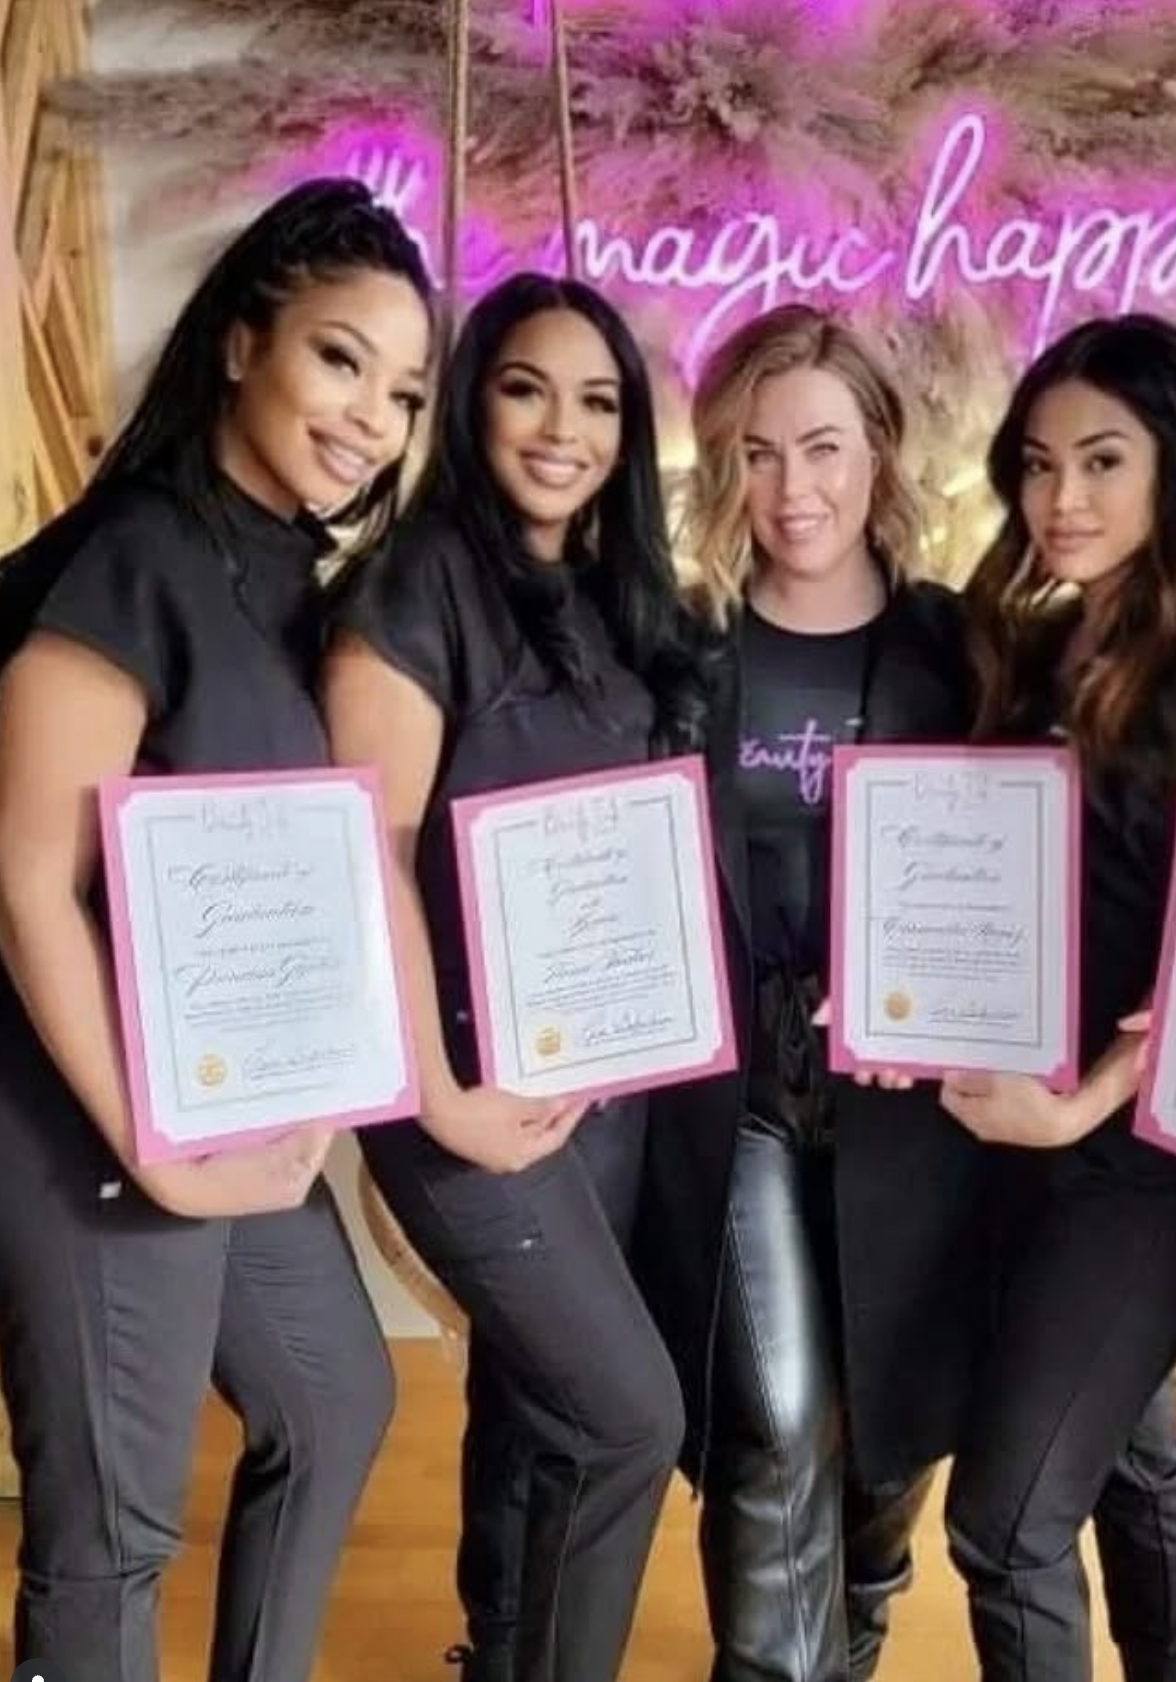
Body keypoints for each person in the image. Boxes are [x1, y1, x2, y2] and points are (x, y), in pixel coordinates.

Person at [0, 178, 432, 1682]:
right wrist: (147, 1135)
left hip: (223, 1101)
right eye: (339, 360)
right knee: (108, 1534)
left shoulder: (292, 576)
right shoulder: (135, 558)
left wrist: (303, 1075)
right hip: (85, 1110)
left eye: (402, 389)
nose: (371, 415)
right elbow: (28, 883)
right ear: (244, 339)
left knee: (332, 1397)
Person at [323, 272, 702, 1682]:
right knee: (628, 1418)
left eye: (599, 400)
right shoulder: (414, 589)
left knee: (538, 1404)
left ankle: (502, 1647)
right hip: (470, 1089)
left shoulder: (607, 601)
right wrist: (440, 1096)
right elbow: (369, 860)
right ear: (471, 397)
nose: (564, 428)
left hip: (593, 1087)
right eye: (526, 387)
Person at [637, 303, 990, 1682]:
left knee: (891, 1420)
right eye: (760, 452)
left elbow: (1029, 860)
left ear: (881, 451)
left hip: (905, 1095)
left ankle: (864, 1595)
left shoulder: (961, 649)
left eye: (824, 448)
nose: (794, 490)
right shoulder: (685, 650)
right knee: (775, 1412)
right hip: (741, 1090)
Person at [940, 313, 1176, 1682]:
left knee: (1005, 1517)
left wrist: (1075, 1101)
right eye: (1035, 463)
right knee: (1130, 1453)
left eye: (1101, 461)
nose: (1059, 498)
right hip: (1037, 1121)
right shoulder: (1037, 644)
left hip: (1148, 1149)